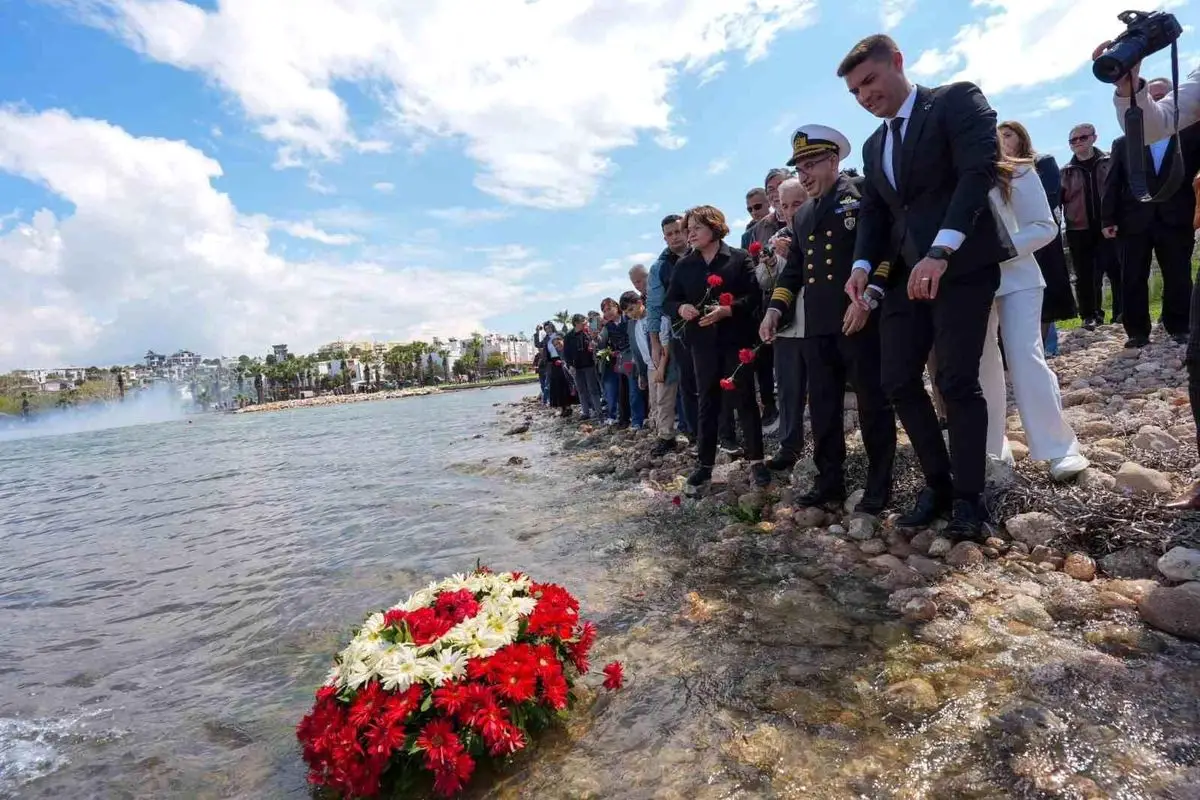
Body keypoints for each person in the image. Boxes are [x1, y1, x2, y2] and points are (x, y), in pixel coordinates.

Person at [840, 34, 1015, 539]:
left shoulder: (955, 100)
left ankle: (969, 499)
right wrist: (862, 265)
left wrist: (942, 250)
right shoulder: (875, 146)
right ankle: (936, 484)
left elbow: (977, 171)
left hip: (960, 265)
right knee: (896, 379)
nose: (864, 96)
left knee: (957, 380)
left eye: (869, 81)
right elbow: (876, 212)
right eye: (854, 91)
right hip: (902, 277)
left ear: (898, 61)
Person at [761, 126, 896, 513]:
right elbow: (795, 271)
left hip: (859, 319)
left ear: (834, 161)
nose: (804, 174)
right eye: (799, 167)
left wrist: (870, 298)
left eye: (811, 164)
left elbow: (885, 249)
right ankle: (829, 479)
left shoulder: (860, 195)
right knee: (822, 405)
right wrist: (775, 310)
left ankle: (878, 483)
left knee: (872, 403)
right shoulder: (802, 215)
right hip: (818, 326)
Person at [978, 140, 1091, 481]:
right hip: (969, 285)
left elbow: (1045, 226)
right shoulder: (949, 174)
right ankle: (992, 449)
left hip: (1019, 278)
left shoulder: (1019, 171)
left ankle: (1059, 448)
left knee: (1025, 356)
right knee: (981, 363)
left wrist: (996, 251)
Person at [665, 205, 769, 488]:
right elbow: (669, 301)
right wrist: (682, 307)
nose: (690, 234)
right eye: (688, 229)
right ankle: (705, 464)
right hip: (702, 346)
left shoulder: (739, 258)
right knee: (707, 402)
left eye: (696, 228)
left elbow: (753, 298)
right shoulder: (685, 265)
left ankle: (757, 461)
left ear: (714, 226)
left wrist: (728, 310)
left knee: (745, 400)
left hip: (736, 341)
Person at [1102, 99, 1199, 349]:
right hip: (1133, 222)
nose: (1156, 102)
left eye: (1162, 96)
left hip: (1176, 218)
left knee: (1178, 274)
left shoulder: (1189, 136)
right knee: (1132, 276)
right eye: (1151, 98)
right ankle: (1137, 332)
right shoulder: (1123, 143)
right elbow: (1112, 182)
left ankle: (1179, 326)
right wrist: (1107, 218)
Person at [998, 121, 1077, 355]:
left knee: (1045, 293)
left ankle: (1046, 347)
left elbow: (1049, 201)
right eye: (1000, 136)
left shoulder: (1042, 163)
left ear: (1022, 137)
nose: (1004, 141)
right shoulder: (999, 172)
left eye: (1009, 135)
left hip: (1041, 239)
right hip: (1014, 241)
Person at [756, 177, 810, 471]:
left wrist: (795, 257)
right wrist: (772, 261)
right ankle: (790, 447)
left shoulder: (819, 231)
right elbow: (763, 282)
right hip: (788, 326)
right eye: (784, 205)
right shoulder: (776, 238)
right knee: (788, 390)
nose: (790, 211)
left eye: (796, 204)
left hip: (817, 324)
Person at [1061, 123, 1121, 330]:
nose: (1078, 142)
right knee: (1085, 274)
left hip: (1109, 223)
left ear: (1094, 138)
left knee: (1117, 267)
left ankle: (1121, 312)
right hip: (1078, 227)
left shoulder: (1110, 162)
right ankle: (1090, 315)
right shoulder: (1066, 172)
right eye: (1073, 140)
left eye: (1082, 137)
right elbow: (1059, 201)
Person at [563, 313, 604, 420]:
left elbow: (598, 342)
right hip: (576, 367)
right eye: (583, 322)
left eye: (586, 322)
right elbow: (566, 353)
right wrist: (570, 365)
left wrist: (595, 339)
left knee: (593, 389)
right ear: (576, 323)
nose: (585, 324)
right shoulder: (568, 337)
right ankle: (585, 412)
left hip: (589, 365)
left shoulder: (588, 332)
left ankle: (598, 411)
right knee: (581, 390)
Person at [544, 332, 575, 417]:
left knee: (567, 386)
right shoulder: (547, 342)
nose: (557, 346)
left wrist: (563, 362)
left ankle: (568, 406)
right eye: (555, 345)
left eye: (558, 343)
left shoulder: (565, 345)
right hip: (555, 367)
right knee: (558, 387)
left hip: (566, 368)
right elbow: (546, 355)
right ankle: (563, 407)